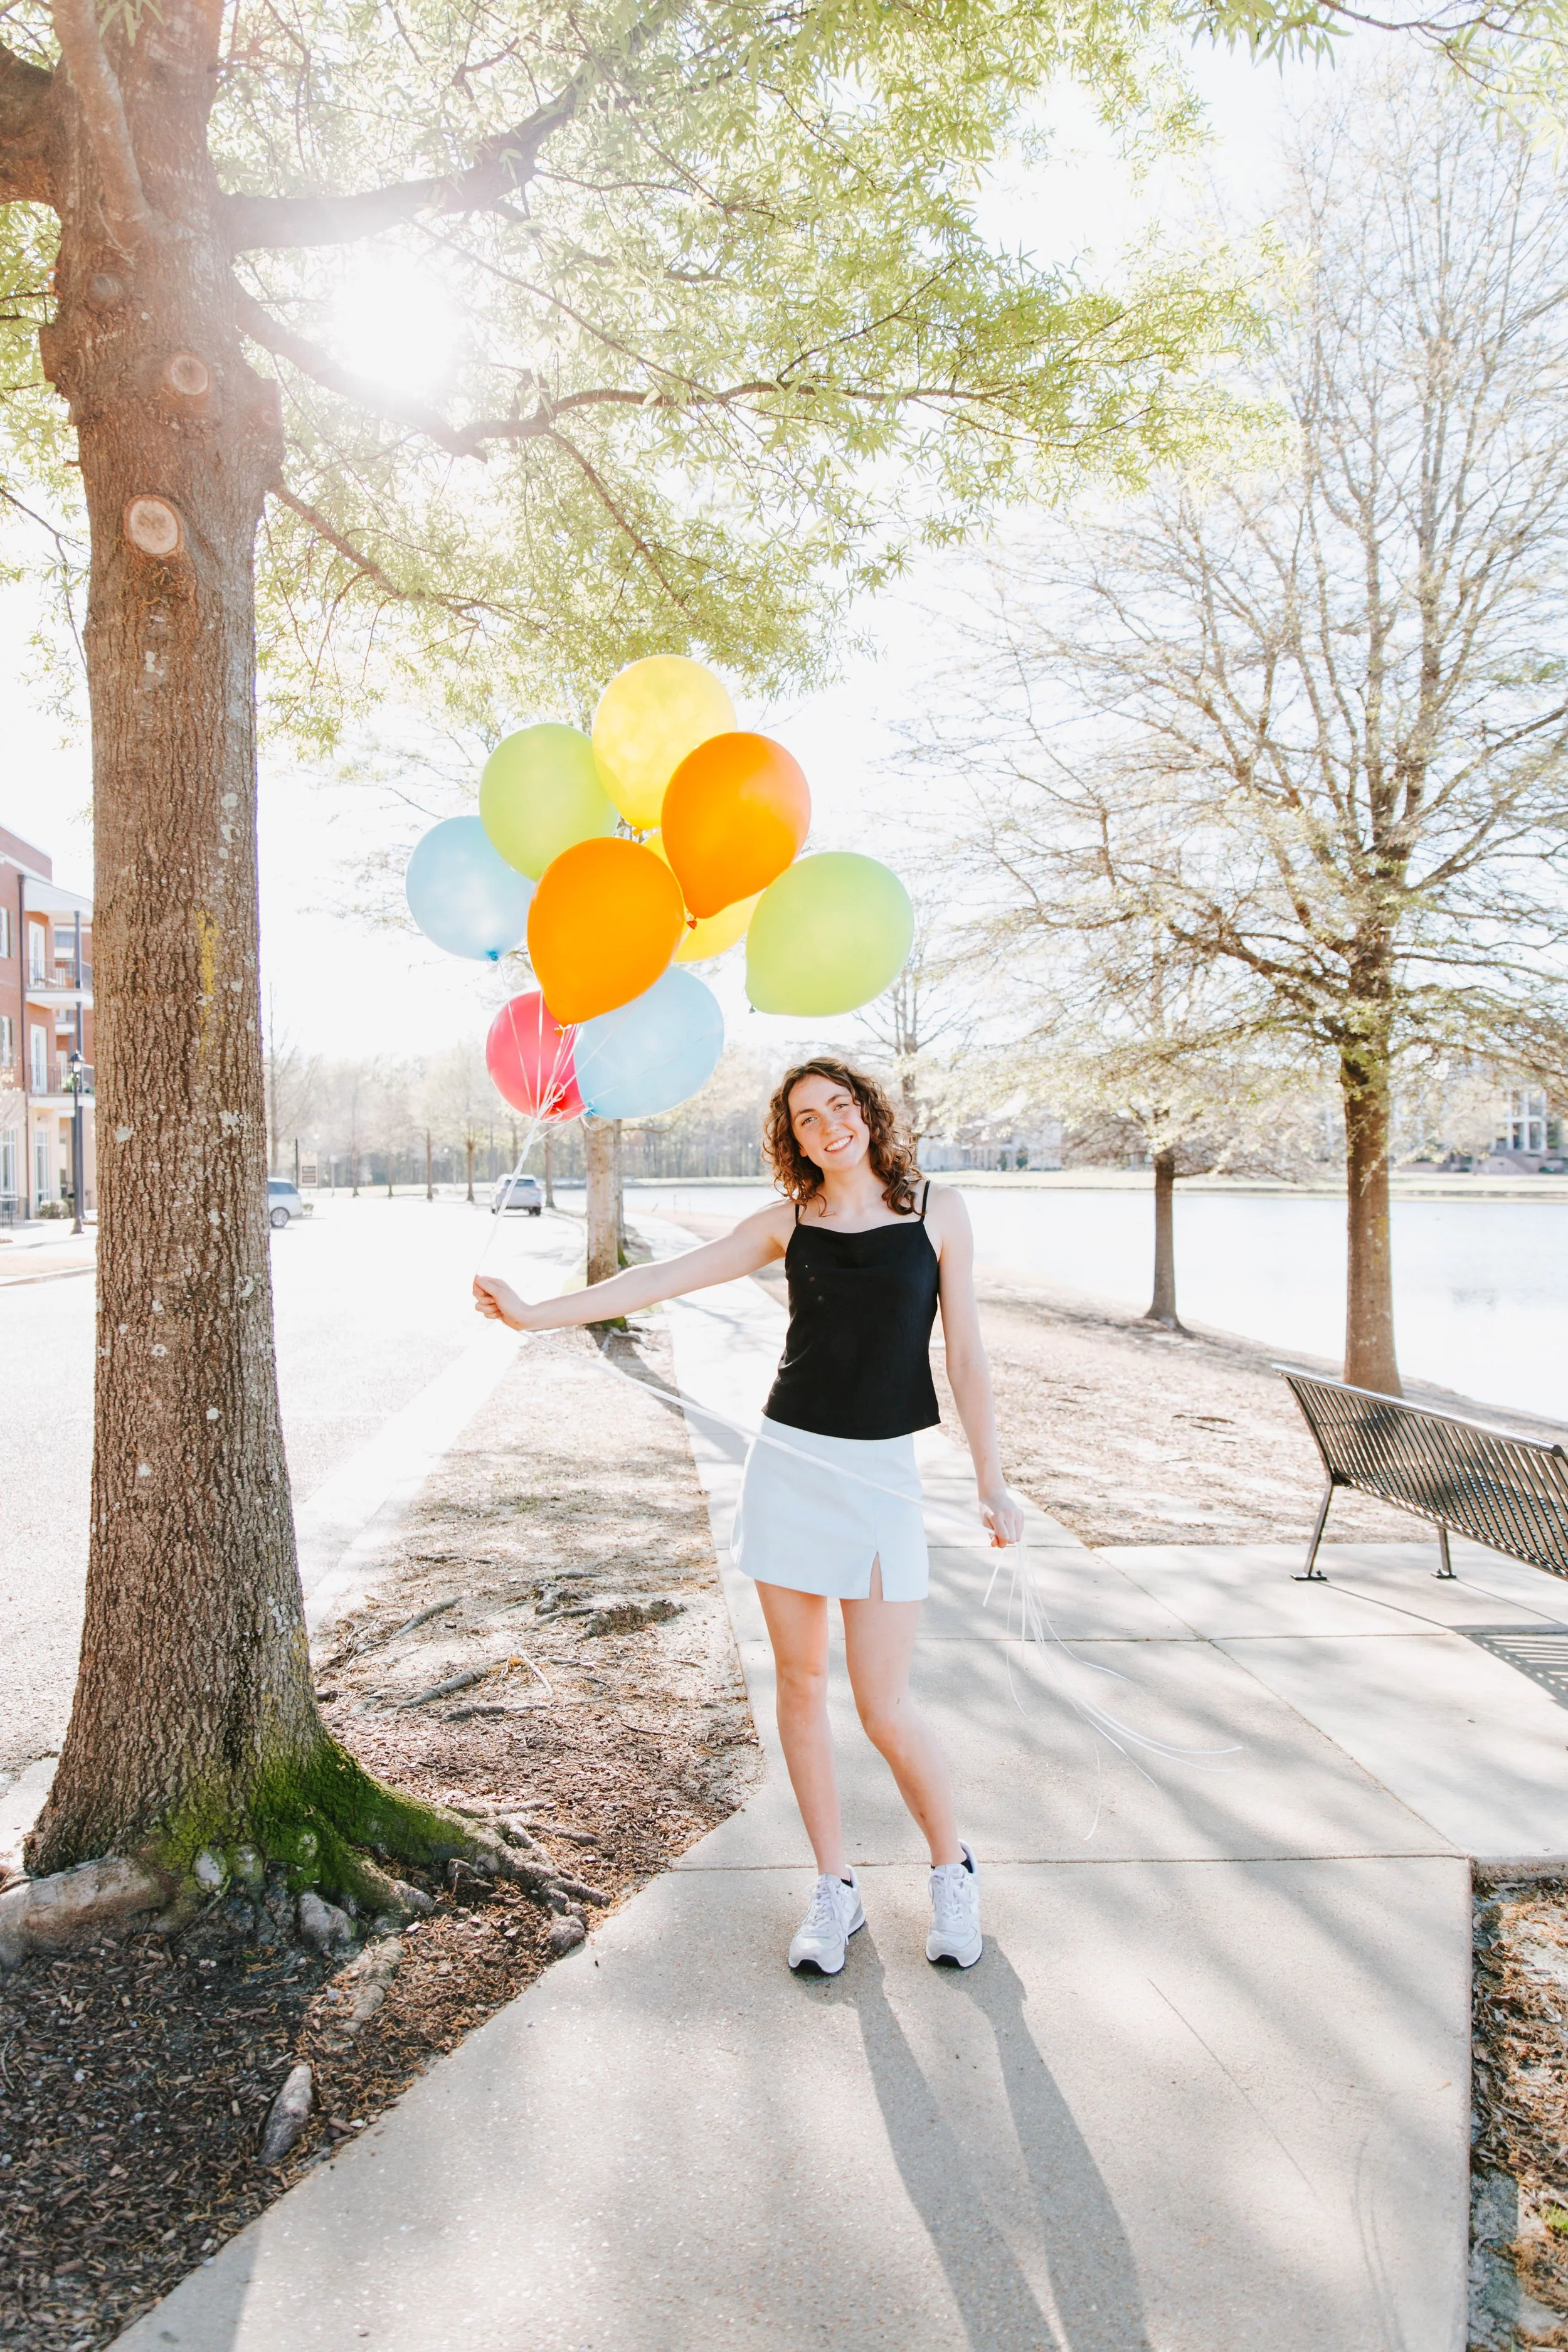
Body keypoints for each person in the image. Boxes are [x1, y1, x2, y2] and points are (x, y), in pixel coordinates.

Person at [474, 1056, 1023, 1976]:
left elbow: (966, 1354)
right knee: (801, 1686)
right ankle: (834, 1887)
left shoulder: (939, 1210)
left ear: (868, 1113)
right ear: (792, 1138)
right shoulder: (786, 1223)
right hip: (790, 1469)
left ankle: (950, 1867)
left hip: (882, 1479)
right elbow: (657, 1281)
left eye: (839, 1107)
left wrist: (991, 1480)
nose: (828, 1127)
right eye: (806, 1119)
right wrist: (536, 1315)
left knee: (885, 1703)